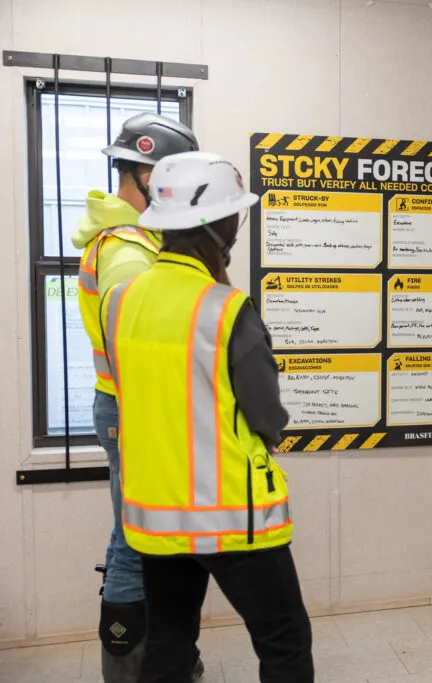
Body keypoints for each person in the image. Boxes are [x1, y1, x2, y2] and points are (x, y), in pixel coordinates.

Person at [100, 151, 314, 683]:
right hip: (232, 517)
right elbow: (268, 417)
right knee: (284, 641)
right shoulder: (227, 308)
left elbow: (130, 392)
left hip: (156, 516)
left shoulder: (118, 301)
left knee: (169, 645)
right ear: (217, 225)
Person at [72, 113, 203, 682]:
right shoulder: (127, 249)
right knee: (134, 538)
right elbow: (142, 343)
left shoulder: (135, 240)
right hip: (134, 409)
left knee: (141, 533)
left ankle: (163, 656)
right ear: (147, 177)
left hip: (126, 406)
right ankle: (127, 671)